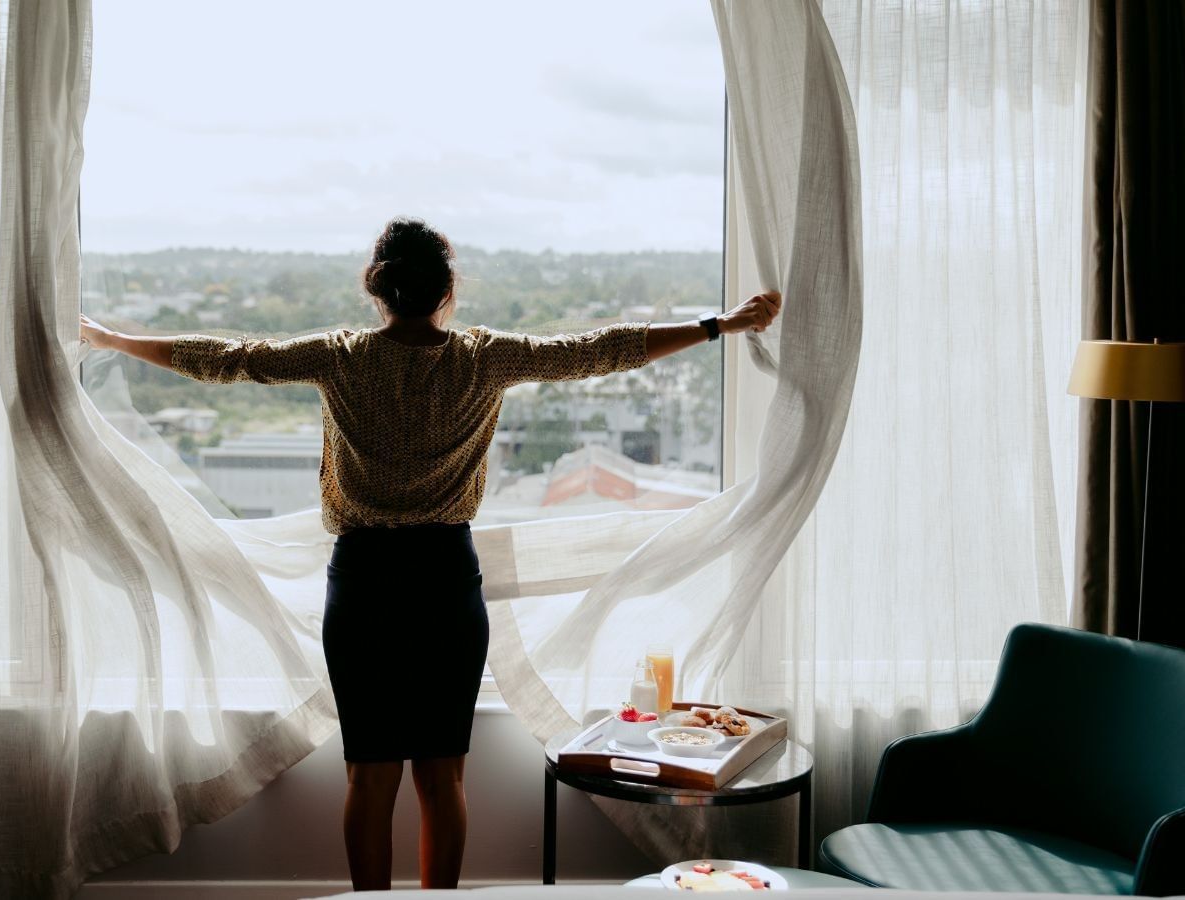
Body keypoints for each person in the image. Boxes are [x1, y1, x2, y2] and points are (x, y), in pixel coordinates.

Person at [78, 217, 781, 891]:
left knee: (369, 775)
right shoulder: (483, 359)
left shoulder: (342, 356)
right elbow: (600, 349)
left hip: (364, 580)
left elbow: (224, 361)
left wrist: (113, 338)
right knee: (443, 778)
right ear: (448, 289)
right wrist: (720, 324)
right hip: (447, 579)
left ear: (376, 288)